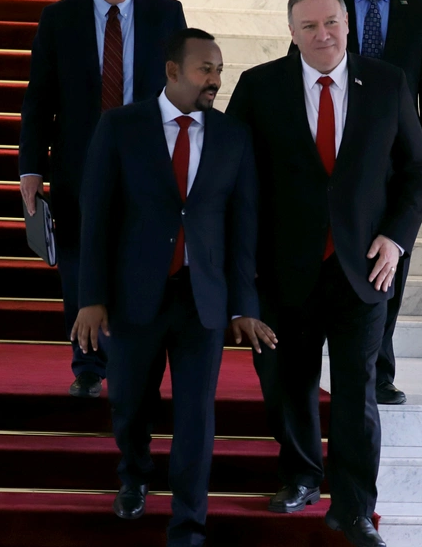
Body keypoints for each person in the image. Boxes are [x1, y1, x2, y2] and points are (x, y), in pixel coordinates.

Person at [227, 0, 422, 547]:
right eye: (309, 26)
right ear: (291, 32)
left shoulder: (388, 83)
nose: (323, 35)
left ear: (347, 21)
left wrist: (395, 238)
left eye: (332, 23)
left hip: (364, 269)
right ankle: (299, 478)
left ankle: (354, 507)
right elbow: (236, 178)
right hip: (283, 267)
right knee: (288, 383)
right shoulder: (259, 86)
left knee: (357, 391)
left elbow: (414, 172)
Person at [72, 28, 275, 547]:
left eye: (220, 70)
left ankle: (189, 522)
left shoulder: (233, 136)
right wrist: (90, 298)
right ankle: (135, 476)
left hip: (201, 301)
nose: (215, 80)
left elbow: (242, 228)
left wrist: (243, 304)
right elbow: (96, 219)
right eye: (206, 69)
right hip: (135, 295)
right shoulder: (120, 127)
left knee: (196, 415)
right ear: (172, 71)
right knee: (131, 403)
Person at [18, 0, 187, 398]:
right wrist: (30, 168)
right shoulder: (60, 18)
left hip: (149, 160)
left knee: (141, 258)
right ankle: (88, 366)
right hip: (79, 161)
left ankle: (134, 360)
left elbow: (185, 89)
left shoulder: (167, 14)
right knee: (78, 262)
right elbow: (39, 97)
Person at [336, 0, 422, 405]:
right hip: (337, 153)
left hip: (396, 156)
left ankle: (378, 373)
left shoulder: (420, 8)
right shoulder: (327, 3)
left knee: (390, 265)